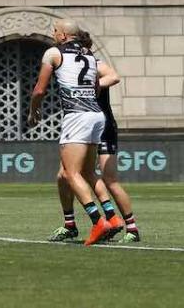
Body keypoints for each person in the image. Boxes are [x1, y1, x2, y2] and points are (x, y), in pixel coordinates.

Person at [28, 18, 122, 247]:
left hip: (76, 116)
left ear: (62, 35)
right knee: (86, 172)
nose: (53, 34)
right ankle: (111, 216)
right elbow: (107, 78)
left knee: (71, 174)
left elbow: (40, 89)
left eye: (55, 31)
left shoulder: (53, 53)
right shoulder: (90, 55)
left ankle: (98, 221)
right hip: (96, 115)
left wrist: (33, 111)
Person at [50, 30, 139, 244]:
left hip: (99, 124)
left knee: (108, 179)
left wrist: (94, 86)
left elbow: (114, 76)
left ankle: (129, 226)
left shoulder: (92, 62)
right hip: (87, 124)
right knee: (64, 175)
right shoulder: (76, 63)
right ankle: (71, 224)